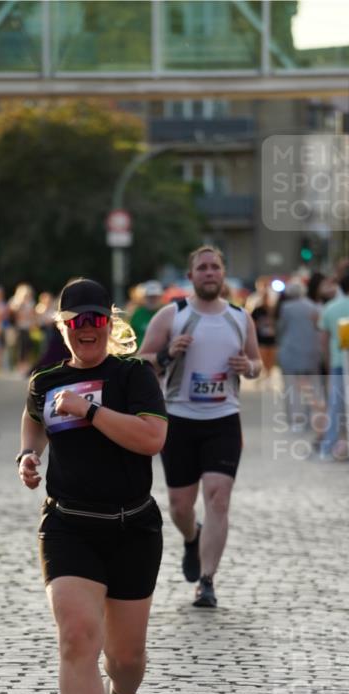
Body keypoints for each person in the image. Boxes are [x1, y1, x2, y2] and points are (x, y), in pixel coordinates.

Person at [18, 278, 167, 694]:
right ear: (62, 326)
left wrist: (92, 412)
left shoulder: (133, 376)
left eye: (96, 321)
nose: (86, 330)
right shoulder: (47, 380)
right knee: (78, 636)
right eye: (76, 322)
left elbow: (152, 438)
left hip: (132, 527)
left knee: (126, 658)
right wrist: (27, 456)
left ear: (110, 322)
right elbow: (33, 419)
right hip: (68, 525)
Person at [139, 245, 261, 609]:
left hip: (223, 419)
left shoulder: (240, 318)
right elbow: (142, 363)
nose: (209, 273)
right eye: (202, 268)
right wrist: (166, 353)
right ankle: (192, 537)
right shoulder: (172, 315)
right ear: (190, 276)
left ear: (223, 275)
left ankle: (206, 581)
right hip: (178, 419)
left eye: (215, 267)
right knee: (179, 505)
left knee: (218, 498)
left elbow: (258, 363)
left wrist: (248, 367)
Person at [318, 272, 349, 461]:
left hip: (337, 362)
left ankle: (327, 448)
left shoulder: (329, 308)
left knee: (335, 406)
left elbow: (324, 340)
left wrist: (327, 363)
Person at [276, 280, 325, 439]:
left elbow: (281, 328)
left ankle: (298, 420)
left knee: (293, 387)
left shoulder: (286, 308)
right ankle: (315, 415)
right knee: (313, 385)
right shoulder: (314, 306)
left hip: (291, 352)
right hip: (312, 352)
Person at [130, 281, 164, 349]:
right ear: (145, 297)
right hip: (140, 354)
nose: (152, 299)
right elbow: (131, 335)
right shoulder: (138, 314)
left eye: (155, 297)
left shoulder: (166, 312)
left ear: (160, 297)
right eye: (150, 297)